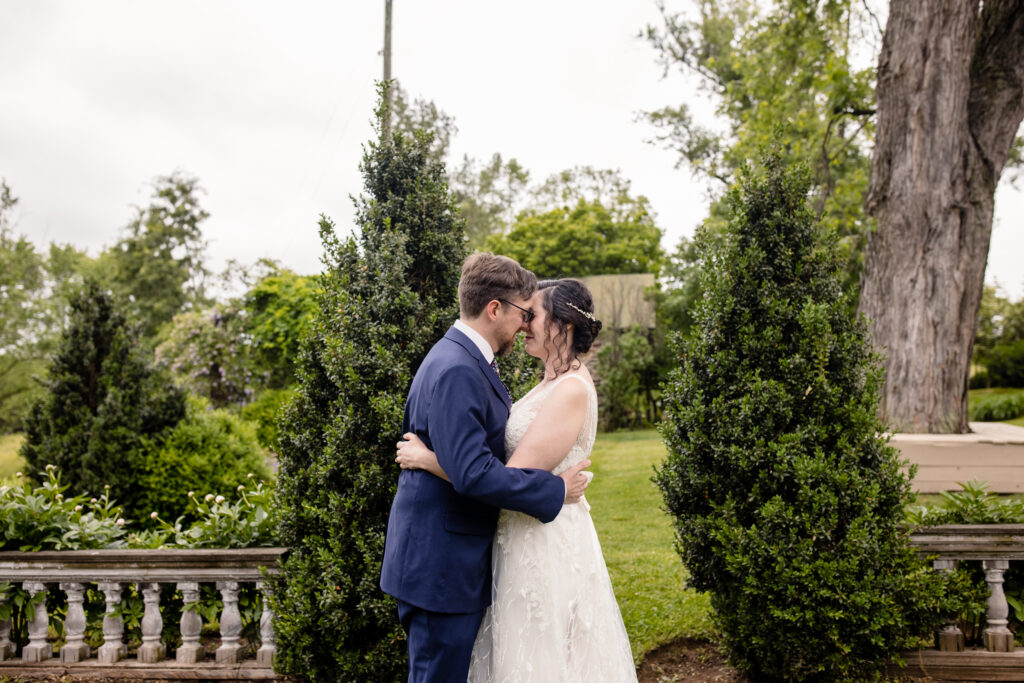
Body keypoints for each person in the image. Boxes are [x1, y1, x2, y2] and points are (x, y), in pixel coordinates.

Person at [396, 278, 638, 682]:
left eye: (534, 315)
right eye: (523, 315)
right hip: (520, 532)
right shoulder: (548, 383)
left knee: (541, 658)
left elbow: (509, 477)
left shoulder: (571, 389)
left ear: (564, 325)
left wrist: (430, 459)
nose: (525, 324)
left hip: (544, 541)